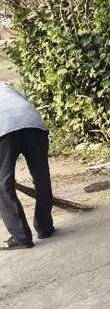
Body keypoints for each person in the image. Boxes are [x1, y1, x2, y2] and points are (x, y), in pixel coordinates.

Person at [0, 83, 54, 250]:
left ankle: (21, 237)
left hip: (4, 128)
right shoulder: (4, 85)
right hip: (32, 122)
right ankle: (45, 227)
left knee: (3, 185)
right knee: (41, 177)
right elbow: (24, 101)